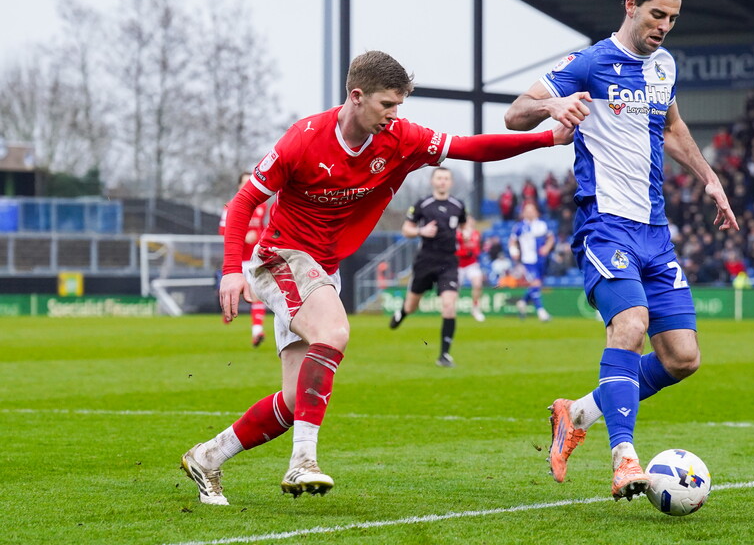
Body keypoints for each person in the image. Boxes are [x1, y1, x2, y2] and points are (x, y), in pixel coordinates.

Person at [180, 50, 572, 505]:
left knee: (293, 400)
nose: (394, 114)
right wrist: (232, 270)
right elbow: (243, 202)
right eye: (387, 104)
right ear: (356, 96)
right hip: (282, 257)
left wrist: (546, 139)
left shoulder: (401, 138)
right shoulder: (303, 139)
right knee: (334, 332)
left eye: (399, 105)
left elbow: (470, 147)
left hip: (323, 269)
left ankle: (207, 457)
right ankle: (303, 460)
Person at [504, 0, 739, 501]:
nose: (664, 26)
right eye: (657, 14)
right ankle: (624, 458)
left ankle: (575, 414)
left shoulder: (664, 67)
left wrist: (709, 178)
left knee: (682, 358)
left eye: (673, 18)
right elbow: (516, 114)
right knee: (630, 325)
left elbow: (672, 127)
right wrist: (553, 104)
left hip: (655, 231)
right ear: (630, 5)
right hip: (605, 225)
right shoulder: (590, 62)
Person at [387, 167, 467, 366]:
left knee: (449, 304)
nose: (442, 181)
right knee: (412, 305)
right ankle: (403, 312)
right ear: (433, 181)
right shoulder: (423, 204)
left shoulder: (458, 205)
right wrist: (421, 231)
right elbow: (406, 229)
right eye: (439, 178)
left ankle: (444, 355)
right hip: (426, 260)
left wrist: (465, 234)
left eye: (446, 178)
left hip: (448, 262)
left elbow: (465, 225)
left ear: (451, 182)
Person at [219, 172, 270, 347]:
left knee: (256, 294)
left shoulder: (262, 206)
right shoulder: (230, 206)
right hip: (237, 260)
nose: (248, 185)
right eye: (244, 182)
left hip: (255, 259)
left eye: (251, 182)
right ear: (239, 186)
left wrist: (259, 237)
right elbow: (222, 231)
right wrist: (243, 236)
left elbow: (263, 228)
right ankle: (227, 310)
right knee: (237, 293)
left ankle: (257, 331)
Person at [508, 201, 555, 321]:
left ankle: (523, 302)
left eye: (531, 210)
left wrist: (546, 248)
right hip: (528, 260)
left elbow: (551, 238)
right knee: (535, 283)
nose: (529, 213)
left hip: (542, 260)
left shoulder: (542, 225)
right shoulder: (519, 227)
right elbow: (512, 241)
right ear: (523, 213)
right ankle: (541, 311)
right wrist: (514, 252)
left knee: (537, 284)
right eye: (527, 211)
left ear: (536, 212)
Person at [457, 215, 486, 323]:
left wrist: (471, 251)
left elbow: (477, 249)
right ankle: (450, 310)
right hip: (458, 265)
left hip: (472, 264)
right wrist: (465, 252)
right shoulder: (457, 234)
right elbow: (454, 250)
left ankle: (475, 308)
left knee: (478, 284)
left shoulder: (476, 234)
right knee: (453, 290)